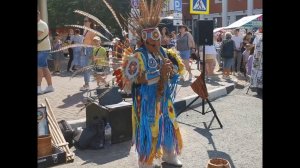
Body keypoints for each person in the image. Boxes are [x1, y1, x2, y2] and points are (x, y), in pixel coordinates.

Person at [116, 1, 185, 167]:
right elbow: (130, 81)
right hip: (147, 101)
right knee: (149, 130)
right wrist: (158, 74)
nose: (156, 46)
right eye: (152, 44)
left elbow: (178, 71)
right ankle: (146, 161)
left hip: (165, 98)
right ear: (144, 41)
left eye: (158, 41)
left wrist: (171, 70)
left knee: (169, 124)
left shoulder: (165, 52)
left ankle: (169, 154)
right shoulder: (137, 56)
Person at [38, 10, 54, 94]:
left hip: (43, 50)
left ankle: (38, 88)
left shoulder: (41, 24)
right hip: (41, 49)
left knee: (39, 67)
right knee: (44, 67)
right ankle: (50, 86)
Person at [80, 17, 96, 91]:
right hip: (85, 50)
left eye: (86, 21)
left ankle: (87, 84)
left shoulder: (92, 31)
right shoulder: (85, 30)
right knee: (86, 68)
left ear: (90, 22)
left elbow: (94, 43)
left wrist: (92, 54)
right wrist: (82, 49)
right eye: (84, 21)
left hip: (89, 50)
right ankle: (86, 83)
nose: (84, 22)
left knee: (87, 68)